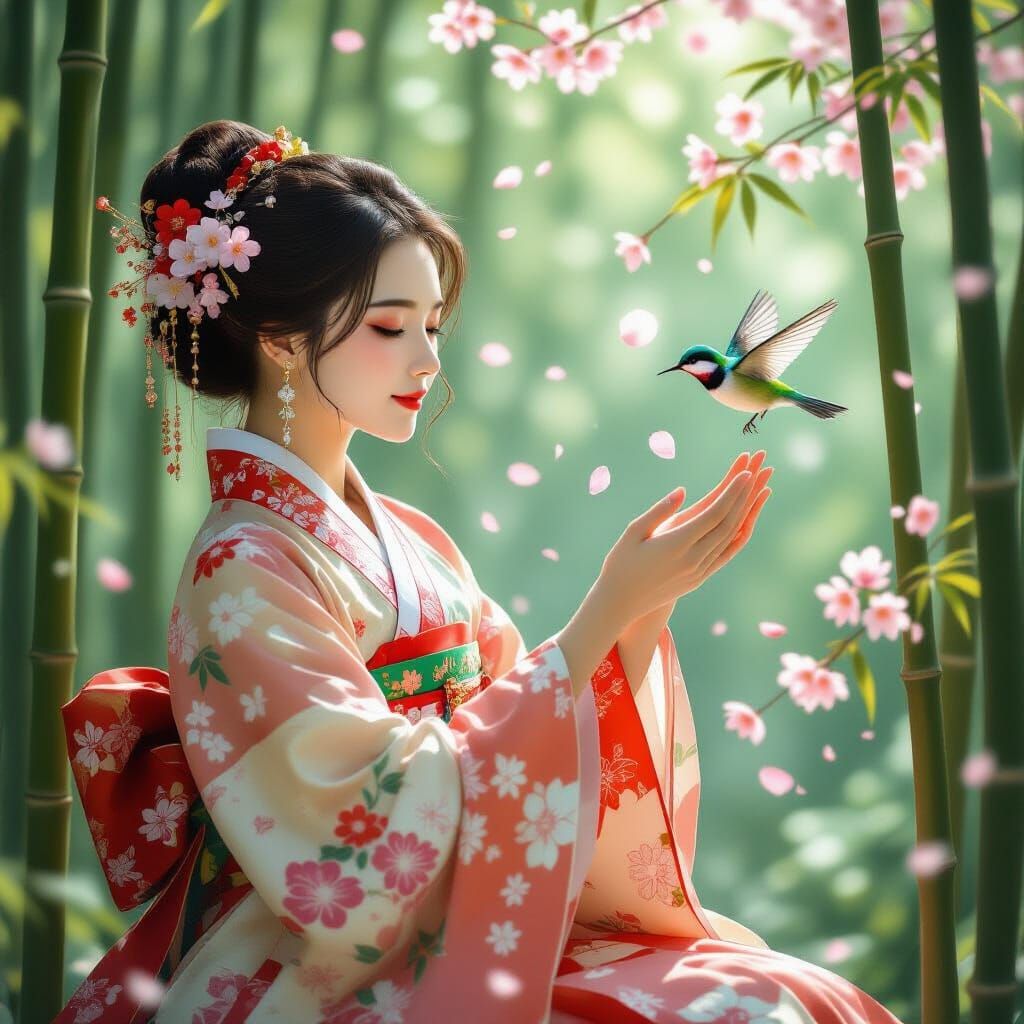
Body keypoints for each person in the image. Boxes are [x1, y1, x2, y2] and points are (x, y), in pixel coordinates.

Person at [57, 121, 903, 1023]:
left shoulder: (411, 538)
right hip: (322, 949)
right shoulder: (242, 566)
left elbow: (527, 727)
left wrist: (633, 622)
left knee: (787, 995)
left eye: (432, 326)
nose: (426, 360)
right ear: (277, 337)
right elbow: (359, 842)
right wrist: (596, 621)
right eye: (390, 326)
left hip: (470, 911)